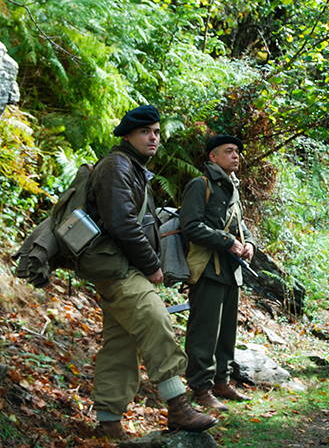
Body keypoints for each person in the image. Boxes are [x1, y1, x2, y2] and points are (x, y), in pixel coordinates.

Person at [85, 105, 217, 440]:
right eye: (146, 132)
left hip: (118, 266)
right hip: (118, 268)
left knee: (121, 342)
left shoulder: (130, 166)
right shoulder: (117, 166)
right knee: (157, 320)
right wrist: (153, 266)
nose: (153, 137)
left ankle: (109, 421)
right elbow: (122, 224)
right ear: (127, 135)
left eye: (157, 132)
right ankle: (177, 405)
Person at [179, 135, 257, 411]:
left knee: (226, 332)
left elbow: (241, 225)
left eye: (237, 151)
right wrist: (227, 242)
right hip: (207, 268)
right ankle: (201, 388)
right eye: (229, 151)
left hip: (231, 270)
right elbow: (190, 225)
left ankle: (222, 381)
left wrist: (248, 243)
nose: (236, 156)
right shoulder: (199, 186)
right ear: (213, 157)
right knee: (204, 332)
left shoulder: (232, 188)